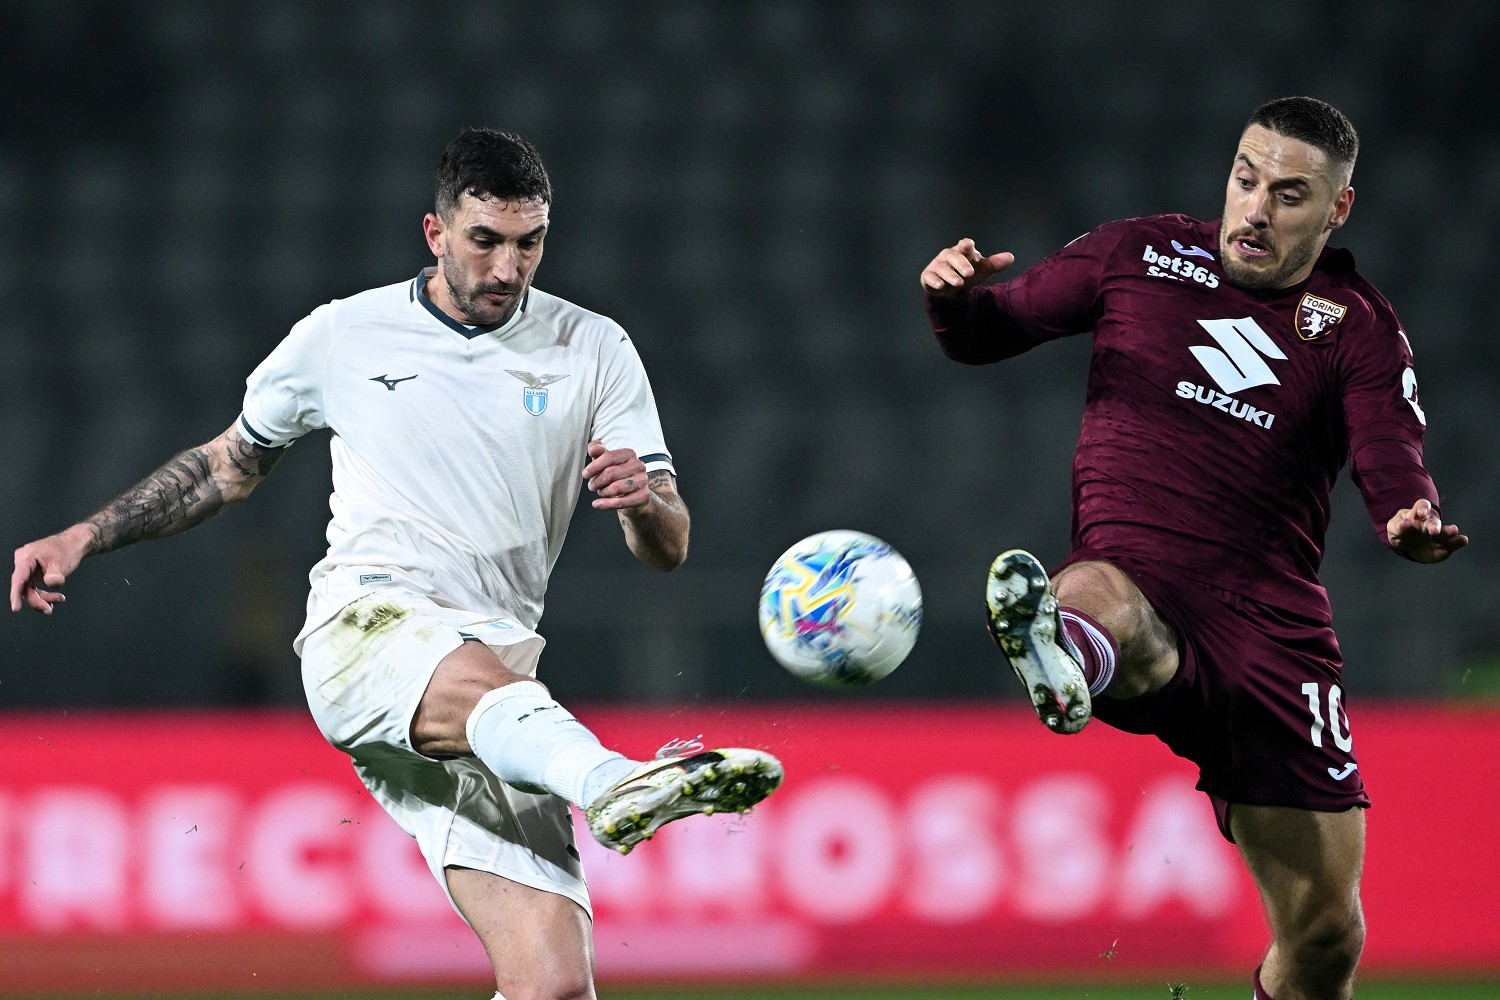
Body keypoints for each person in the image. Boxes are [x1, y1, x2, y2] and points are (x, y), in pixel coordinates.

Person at [11, 127, 782, 1000]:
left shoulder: (595, 348)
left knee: (553, 985)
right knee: (493, 698)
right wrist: (84, 535)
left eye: (529, 243)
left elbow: (668, 549)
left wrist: (644, 498)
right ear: (435, 232)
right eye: (485, 241)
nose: (506, 268)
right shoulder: (343, 336)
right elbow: (226, 466)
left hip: (501, 689)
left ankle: (594, 778)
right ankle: (613, 779)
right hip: (368, 631)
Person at [919, 96, 1467, 1000]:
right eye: (1246, 179)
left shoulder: (1357, 324)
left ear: (1337, 211)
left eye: (1290, 196)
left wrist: (1409, 515)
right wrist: (947, 299)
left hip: (1270, 636)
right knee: (1099, 596)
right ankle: (1063, 650)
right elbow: (988, 331)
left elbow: (1390, 453)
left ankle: (1069, 650)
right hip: (1137, 580)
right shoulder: (1137, 254)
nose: (1255, 209)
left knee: (1328, 939)